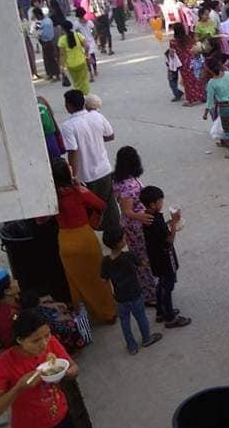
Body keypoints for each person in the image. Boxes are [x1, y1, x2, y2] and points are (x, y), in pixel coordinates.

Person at [50, 157, 117, 325]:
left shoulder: (51, 196)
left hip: (65, 240)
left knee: (76, 281)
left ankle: (87, 315)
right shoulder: (78, 191)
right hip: (84, 238)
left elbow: (41, 219)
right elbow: (101, 205)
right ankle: (108, 312)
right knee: (97, 277)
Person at [60, 89, 120, 235]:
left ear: (69, 105)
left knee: (90, 208)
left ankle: (95, 232)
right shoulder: (96, 116)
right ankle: (115, 234)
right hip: (104, 169)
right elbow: (110, 136)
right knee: (109, 203)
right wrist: (96, 138)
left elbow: (73, 151)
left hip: (85, 175)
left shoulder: (68, 126)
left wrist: (73, 175)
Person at [101, 227, 163, 355]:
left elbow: (103, 280)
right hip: (135, 294)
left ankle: (131, 346)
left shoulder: (105, 261)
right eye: (124, 238)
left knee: (125, 322)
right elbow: (142, 266)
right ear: (120, 243)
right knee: (141, 317)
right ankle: (146, 339)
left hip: (120, 298)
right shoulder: (129, 256)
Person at [112, 146, 157, 306]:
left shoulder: (120, 180)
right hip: (136, 227)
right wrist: (142, 216)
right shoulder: (128, 186)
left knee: (142, 257)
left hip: (133, 226)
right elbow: (127, 211)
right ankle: (150, 294)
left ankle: (149, 290)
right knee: (144, 259)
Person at [140, 185, 189, 328]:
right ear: (152, 204)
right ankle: (170, 318)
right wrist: (174, 222)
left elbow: (159, 232)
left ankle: (160, 312)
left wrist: (169, 223)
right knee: (167, 287)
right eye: (160, 201)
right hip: (165, 258)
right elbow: (169, 239)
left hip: (155, 258)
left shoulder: (147, 218)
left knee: (161, 283)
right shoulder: (155, 220)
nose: (162, 203)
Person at [204, 57, 229, 154]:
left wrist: (205, 113)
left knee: (228, 129)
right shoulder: (228, 74)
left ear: (209, 69)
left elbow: (210, 101)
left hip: (224, 108)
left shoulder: (211, 83)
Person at [170, 22, 205, 105]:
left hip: (183, 63)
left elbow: (172, 54)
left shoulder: (173, 42)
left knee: (188, 81)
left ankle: (191, 100)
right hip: (192, 60)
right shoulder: (188, 38)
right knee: (196, 78)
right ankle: (202, 96)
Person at [58, 20, 90, 95]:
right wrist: (86, 54)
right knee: (84, 81)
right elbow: (87, 46)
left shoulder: (61, 40)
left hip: (71, 65)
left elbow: (62, 55)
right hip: (81, 62)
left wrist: (62, 66)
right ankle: (86, 96)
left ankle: (79, 96)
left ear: (63, 29)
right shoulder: (78, 35)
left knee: (76, 83)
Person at [32, 6, 59, 80]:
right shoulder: (45, 21)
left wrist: (39, 34)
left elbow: (45, 34)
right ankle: (50, 74)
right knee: (47, 59)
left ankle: (56, 74)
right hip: (46, 42)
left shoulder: (46, 22)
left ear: (38, 15)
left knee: (51, 59)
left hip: (47, 42)